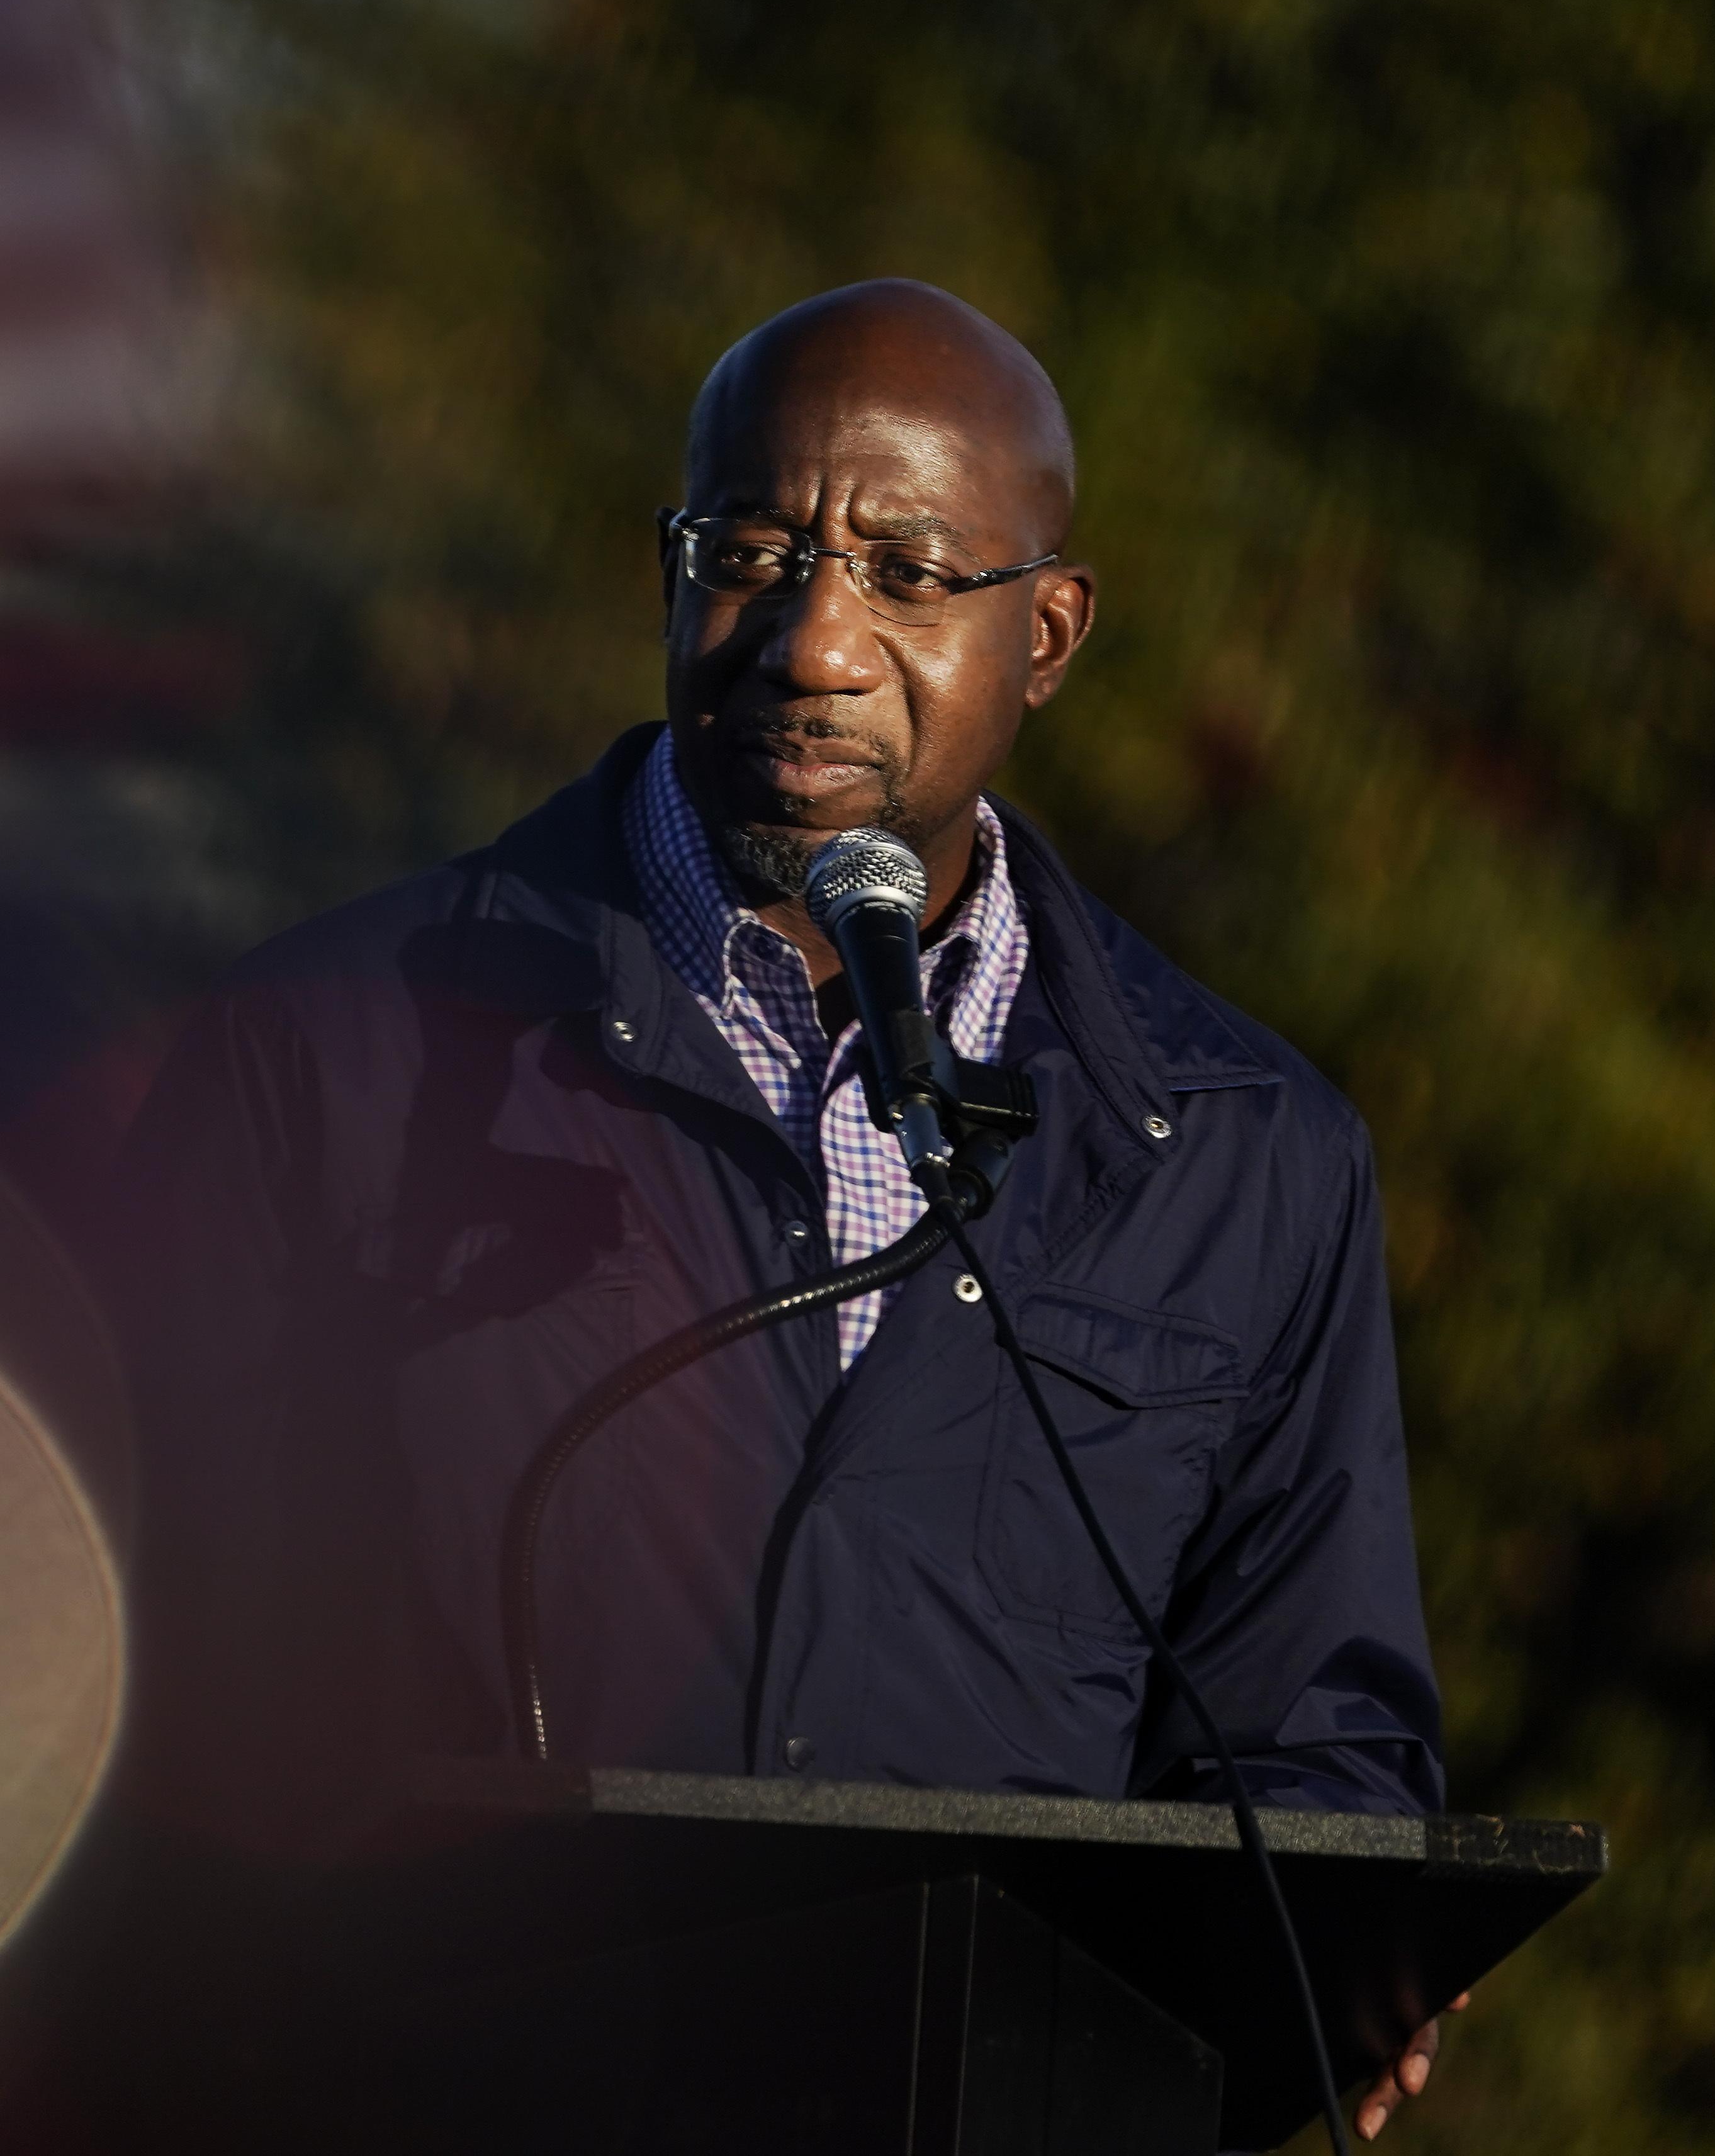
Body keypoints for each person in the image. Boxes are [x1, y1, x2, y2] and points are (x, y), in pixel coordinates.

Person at [112, 279, 1456, 2137]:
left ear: (1046, 632)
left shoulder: (1244, 1152)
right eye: (748, 548)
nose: (812, 638)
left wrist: (1333, 1936)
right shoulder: (331, 1057)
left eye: (908, 571)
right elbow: (128, 1673)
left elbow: (1313, 1727)